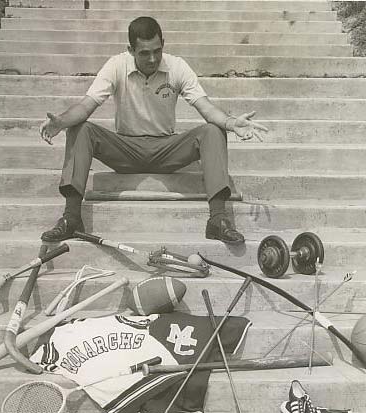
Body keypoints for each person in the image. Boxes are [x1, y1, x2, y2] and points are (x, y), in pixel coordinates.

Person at [39, 16, 268, 244]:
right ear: (130, 50)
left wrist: (231, 123)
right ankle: (71, 218)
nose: (152, 59)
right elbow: (85, 106)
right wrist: (61, 122)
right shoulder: (116, 65)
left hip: (166, 148)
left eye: (157, 51)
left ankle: (218, 220)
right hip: (125, 149)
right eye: (144, 53)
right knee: (79, 128)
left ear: (163, 44)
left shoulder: (176, 66)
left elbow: (207, 108)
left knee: (213, 130)